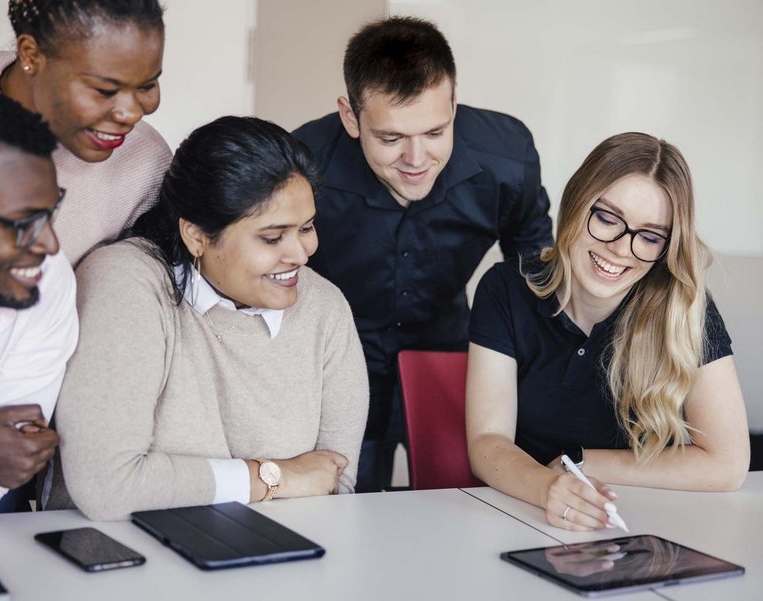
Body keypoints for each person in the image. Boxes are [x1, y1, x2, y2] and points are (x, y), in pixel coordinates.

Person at [45, 116, 369, 521]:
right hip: (120, 554)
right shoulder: (126, 283)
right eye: (272, 237)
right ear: (196, 235)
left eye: (306, 227)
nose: (301, 254)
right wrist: (275, 477)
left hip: (278, 560)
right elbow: (106, 485)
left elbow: (332, 483)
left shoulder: (324, 307)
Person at [293, 16, 553, 492]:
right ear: (350, 118)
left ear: (454, 102)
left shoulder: (507, 158)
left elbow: (534, 269)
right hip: (336, 360)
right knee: (342, 500)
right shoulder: (303, 161)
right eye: (391, 139)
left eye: (434, 132)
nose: (416, 160)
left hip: (448, 350)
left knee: (460, 498)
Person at [466, 132, 750, 532]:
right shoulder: (506, 287)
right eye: (607, 218)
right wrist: (549, 488)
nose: (620, 248)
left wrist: (580, 462)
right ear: (576, 203)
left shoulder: (684, 306)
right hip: (524, 516)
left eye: (649, 236)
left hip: (644, 527)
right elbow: (486, 442)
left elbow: (728, 464)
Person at [0, 0, 171, 266]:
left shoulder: (146, 166)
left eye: (147, 85)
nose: (131, 113)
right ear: (30, 55)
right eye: (105, 90)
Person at [0, 83, 78, 521]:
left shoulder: (46, 281)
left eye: (50, 213)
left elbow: (2, 470)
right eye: (24, 223)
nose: (49, 244)